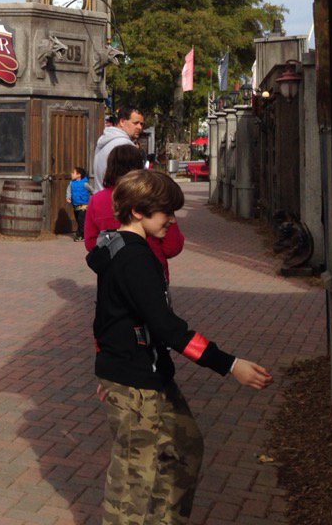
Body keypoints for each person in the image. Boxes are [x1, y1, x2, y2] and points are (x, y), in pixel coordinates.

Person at [87, 169, 272, 523]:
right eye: (166, 212)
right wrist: (230, 365)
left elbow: (108, 316)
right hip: (136, 383)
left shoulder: (119, 246)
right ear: (138, 211)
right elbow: (170, 330)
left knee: (185, 447)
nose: (172, 220)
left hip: (147, 375)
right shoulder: (132, 259)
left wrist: (110, 368)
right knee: (131, 479)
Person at [85, 144, 185, 283]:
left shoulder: (96, 200)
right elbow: (172, 247)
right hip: (151, 272)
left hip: (111, 276)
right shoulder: (152, 197)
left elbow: (91, 243)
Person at [92, 106, 145, 193]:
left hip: (101, 197)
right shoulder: (124, 145)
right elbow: (131, 181)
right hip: (118, 201)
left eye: (141, 124)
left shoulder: (104, 140)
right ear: (122, 121)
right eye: (135, 123)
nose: (139, 127)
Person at [65, 166, 92, 242]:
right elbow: (68, 191)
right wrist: (68, 197)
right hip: (75, 205)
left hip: (83, 206)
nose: (71, 174)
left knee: (81, 220)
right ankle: (83, 234)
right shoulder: (71, 183)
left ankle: (81, 235)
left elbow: (92, 190)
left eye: (73, 172)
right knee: (78, 220)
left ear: (79, 175)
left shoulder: (85, 184)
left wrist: (95, 197)